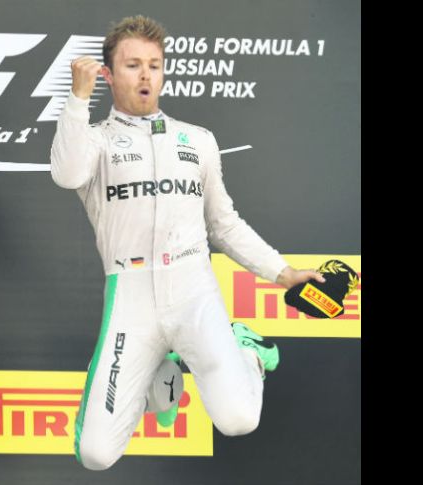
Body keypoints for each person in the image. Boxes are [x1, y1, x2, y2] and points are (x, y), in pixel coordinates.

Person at [50, 15, 325, 470]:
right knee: (95, 455)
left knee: (239, 419)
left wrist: (286, 273)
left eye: (154, 65)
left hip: (193, 288)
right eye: (132, 64)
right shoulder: (95, 142)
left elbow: (225, 225)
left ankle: (247, 353)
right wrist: (78, 99)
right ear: (109, 74)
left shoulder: (196, 140)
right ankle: (161, 382)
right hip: (130, 294)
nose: (145, 76)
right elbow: (67, 174)